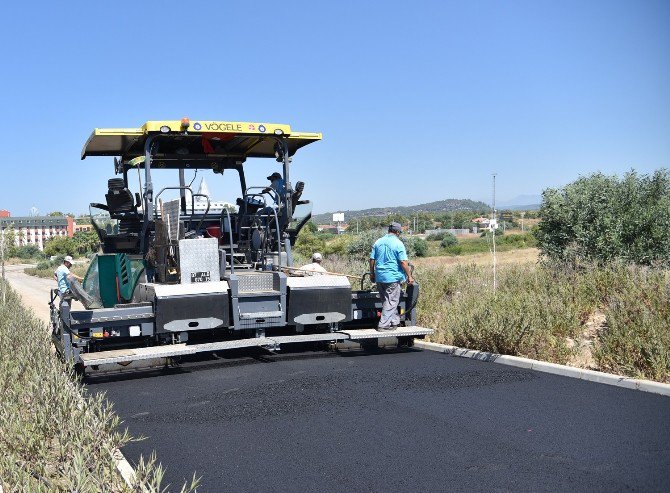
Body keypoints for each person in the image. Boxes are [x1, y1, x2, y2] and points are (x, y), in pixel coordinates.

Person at [369, 222, 414, 331]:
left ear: (389, 230)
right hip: (392, 277)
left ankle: (394, 322)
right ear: (397, 232)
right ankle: (383, 325)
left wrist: (372, 273)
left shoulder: (378, 242)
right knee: (392, 301)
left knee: (387, 301)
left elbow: (372, 259)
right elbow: (403, 262)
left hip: (380, 276)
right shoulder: (398, 243)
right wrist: (409, 276)